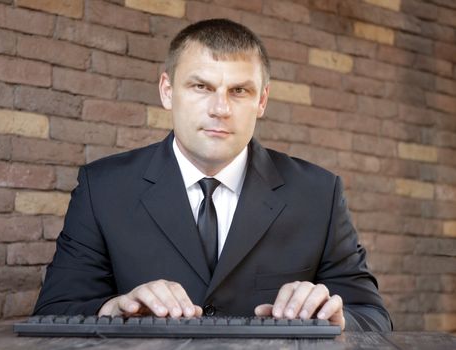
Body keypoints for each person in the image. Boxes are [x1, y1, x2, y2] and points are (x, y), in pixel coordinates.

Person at [34, 18, 392, 332]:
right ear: (167, 91)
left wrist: (338, 317)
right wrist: (112, 310)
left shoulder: (319, 194)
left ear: (262, 101)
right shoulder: (103, 188)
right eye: (201, 87)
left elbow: (372, 315)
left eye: (239, 91)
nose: (220, 109)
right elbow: (54, 311)